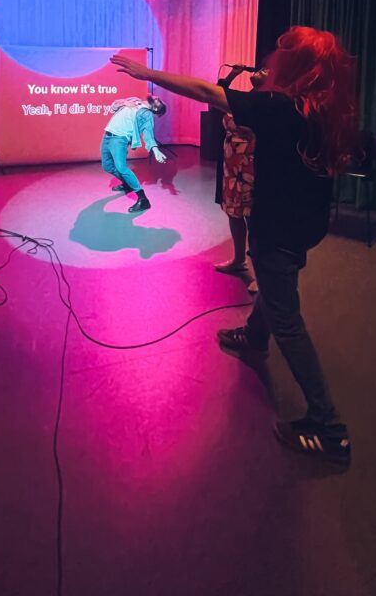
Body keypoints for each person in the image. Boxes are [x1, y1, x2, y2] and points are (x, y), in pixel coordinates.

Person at [111, 27, 359, 465]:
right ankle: (252, 336)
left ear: (294, 65)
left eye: (279, 53)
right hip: (304, 226)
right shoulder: (318, 110)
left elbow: (208, 91)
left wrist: (147, 72)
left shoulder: (281, 110)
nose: (269, 56)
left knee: (288, 319)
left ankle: (329, 426)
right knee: (273, 283)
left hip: (279, 227)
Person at [214, 65, 268, 293]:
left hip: (252, 165)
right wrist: (233, 74)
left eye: (266, 70)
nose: (259, 70)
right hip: (231, 164)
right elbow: (217, 94)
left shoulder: (267, 101)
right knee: (233, 213)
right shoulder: (246, 98)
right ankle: (238, 261)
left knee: (254, 219)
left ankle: (261, 276)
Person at [101, 94, 168, 212]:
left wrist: (155, 149)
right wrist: (124, 103)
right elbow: (113, 107)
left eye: (159, 101)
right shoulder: (135, 101)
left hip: (119, 139)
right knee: (107, 166)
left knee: (121, 168)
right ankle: (127, 184)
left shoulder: (147, 114)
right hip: (107, 135)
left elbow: (148, 135)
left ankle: (143, 200)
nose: (157, 97)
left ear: (155, 109)